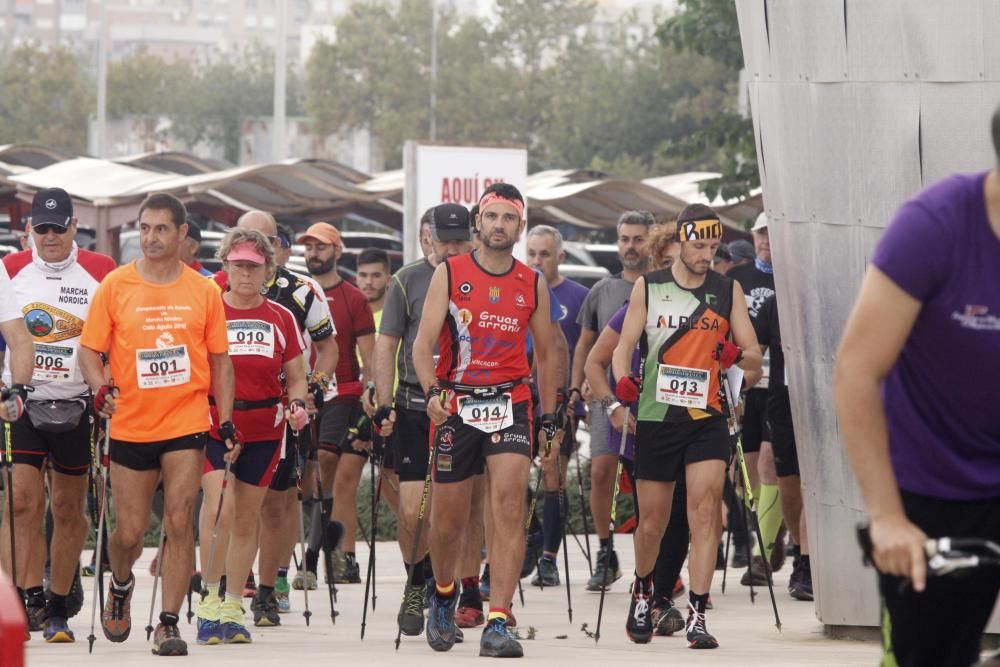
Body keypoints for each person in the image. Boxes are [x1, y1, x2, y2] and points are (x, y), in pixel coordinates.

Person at [834, 108, 1000, 667]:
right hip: (928, 484)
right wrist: (886, 518)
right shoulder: (936, 224)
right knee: (930, 654)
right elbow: (856, 370)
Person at [79, 192, 235, 657]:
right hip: (130, 423)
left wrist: (224, 421)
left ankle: (168, 624)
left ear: (182, 234)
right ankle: (122, 583)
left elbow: (221, 362)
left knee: (178, 523)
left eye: (161, 229)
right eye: (144, 228)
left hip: (185, 420)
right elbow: (89, 351)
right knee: (128, 533)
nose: (150, 237)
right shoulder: (116, 285)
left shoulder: (204, 290)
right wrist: (100, 389)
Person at [413, 184, 558, 658]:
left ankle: (499, 618)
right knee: (449, 520)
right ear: (478, 223)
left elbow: (549, 353)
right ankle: (443, 592)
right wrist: (433, 391)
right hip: (457, 403)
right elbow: (422, 343)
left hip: (511, 403)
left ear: (519, 226)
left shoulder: (531, 281)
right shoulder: (451, 273)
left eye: (508, 218)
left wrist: (550, 415)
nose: (499, 225)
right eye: (491, 216)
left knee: (508, 506)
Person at [612, 203, 761, 649]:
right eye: (699, 245)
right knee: (653, 522)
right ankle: (643, 589)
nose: (706, 255)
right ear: (679, 241)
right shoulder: (649, 287)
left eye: (713, 247)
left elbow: (754, 358)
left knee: (704, 512)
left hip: (706, 417)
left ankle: (697, 612)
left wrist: (737, 359)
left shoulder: (727, 288)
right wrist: (622, 383)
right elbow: (623, 347)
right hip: (658, 416)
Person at [0, 188, 113, 643]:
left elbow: (115, 339)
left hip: (77, 403)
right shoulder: (9, 270)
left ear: (73, 227)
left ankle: (58, 604)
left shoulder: (103, 272)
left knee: (67, 509)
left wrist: (108, 390)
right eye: (41, 228)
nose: (50, 236)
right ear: (29, 229)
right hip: (22, 403)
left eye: (58, 227)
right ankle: (18, 598)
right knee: (21, 502)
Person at [195, 228, 308, 646]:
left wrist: (298, 404)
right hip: (214, 424)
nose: (245, 274)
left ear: (268, 271)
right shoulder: (209, 310)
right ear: (225, 266)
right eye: (238, 265)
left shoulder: (281, 318)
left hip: (265, 428)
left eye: (254, 267)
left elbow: (296, 376)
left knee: (246, 518)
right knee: (219, 508)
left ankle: (231, 604)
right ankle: (208, 597)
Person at [372, 204, 479, 635]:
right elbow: (387, 344)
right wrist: (384, 402)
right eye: (444, 240)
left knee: (465, 510)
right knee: (416, 511)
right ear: (428, 238)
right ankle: (417, 581)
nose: (452, 248)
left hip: (470, 408)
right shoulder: (406, 280)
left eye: (459, 240)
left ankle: (461, 589)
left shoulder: (483, 276)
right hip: (416, 408)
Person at [226, 211, 337, 623]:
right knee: (229, 505)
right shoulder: (216, 288)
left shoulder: (301, 290)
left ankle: (269, 588)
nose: (256, 248)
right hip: (227, 413)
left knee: (277, 503)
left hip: (282, 412)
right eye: (248, 240)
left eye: (266, 241)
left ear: (278, 247)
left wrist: (312, 388)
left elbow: (328, 349)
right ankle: (229, 585)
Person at [584, 224, 689, 637]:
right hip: (643, 427)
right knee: (654, 518)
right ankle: (647, 593)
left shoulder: (710, 304)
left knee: (681, 517)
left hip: (695, 425)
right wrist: (611, 405)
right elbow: (595, 360)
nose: (674, 271)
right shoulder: (637, 305)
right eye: (665, 263)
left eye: (679, 261)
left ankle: (661, 598)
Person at [570, 210, 652, 591]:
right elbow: (586, 349)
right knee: (601, 472)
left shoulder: (664, 286)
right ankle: (606, 552)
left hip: (656, 400)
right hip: (609, 400)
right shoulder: (602, 291)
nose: (630, 246)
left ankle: (655, 565)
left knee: (650, 483)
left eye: (637, 239)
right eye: (624, 239)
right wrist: (577, 392)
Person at [299, 222, 375, 585]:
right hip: (302, 395)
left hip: (342, 392)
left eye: (322, 247)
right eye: (309, 247)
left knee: (327, 461)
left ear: (337, 251)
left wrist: (369, 400)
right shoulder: (297, 292)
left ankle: (316, 559)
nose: (314, 253)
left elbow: (370, 357)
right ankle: (312, 550)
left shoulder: (353, 298)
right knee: (303, 479)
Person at [524, 225, 588, 587]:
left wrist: (575, 393)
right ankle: (531, 534)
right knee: (511, 476)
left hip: (562, 402)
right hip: (519, 400)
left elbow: (584, 347)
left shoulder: (578, 296)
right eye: (531, 253)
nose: (537, 261)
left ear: (560, 256)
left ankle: (549, 558)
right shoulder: (519, 290)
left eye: (544, 254)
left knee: (553, 475)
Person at [726, 213, 782, 578]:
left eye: (771, 232)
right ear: (753, 235)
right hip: (744, 382)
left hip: (779, 381)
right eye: (761, 232)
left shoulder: (792, 276)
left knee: (769, 464)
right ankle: (772, 530)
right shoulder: (736, 279)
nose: (765, 239)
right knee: (742, 471)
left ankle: (766, 550)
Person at [754, 293, 811, 601]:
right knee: (788, 483)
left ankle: (808, 564)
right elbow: (753, 352)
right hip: (783, 402)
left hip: (824, 399)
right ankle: (800, 555)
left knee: (812, 484)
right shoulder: (775, 303)